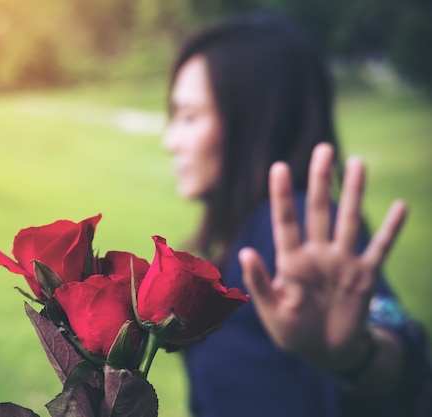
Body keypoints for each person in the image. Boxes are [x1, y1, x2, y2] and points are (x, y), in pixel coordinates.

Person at [162, 13, 431, 417]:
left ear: (254, 119)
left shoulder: (298, 223)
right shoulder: (244, 229)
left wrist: (354, 356)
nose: (170, 141)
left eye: (189, 117)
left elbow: (394, 347)